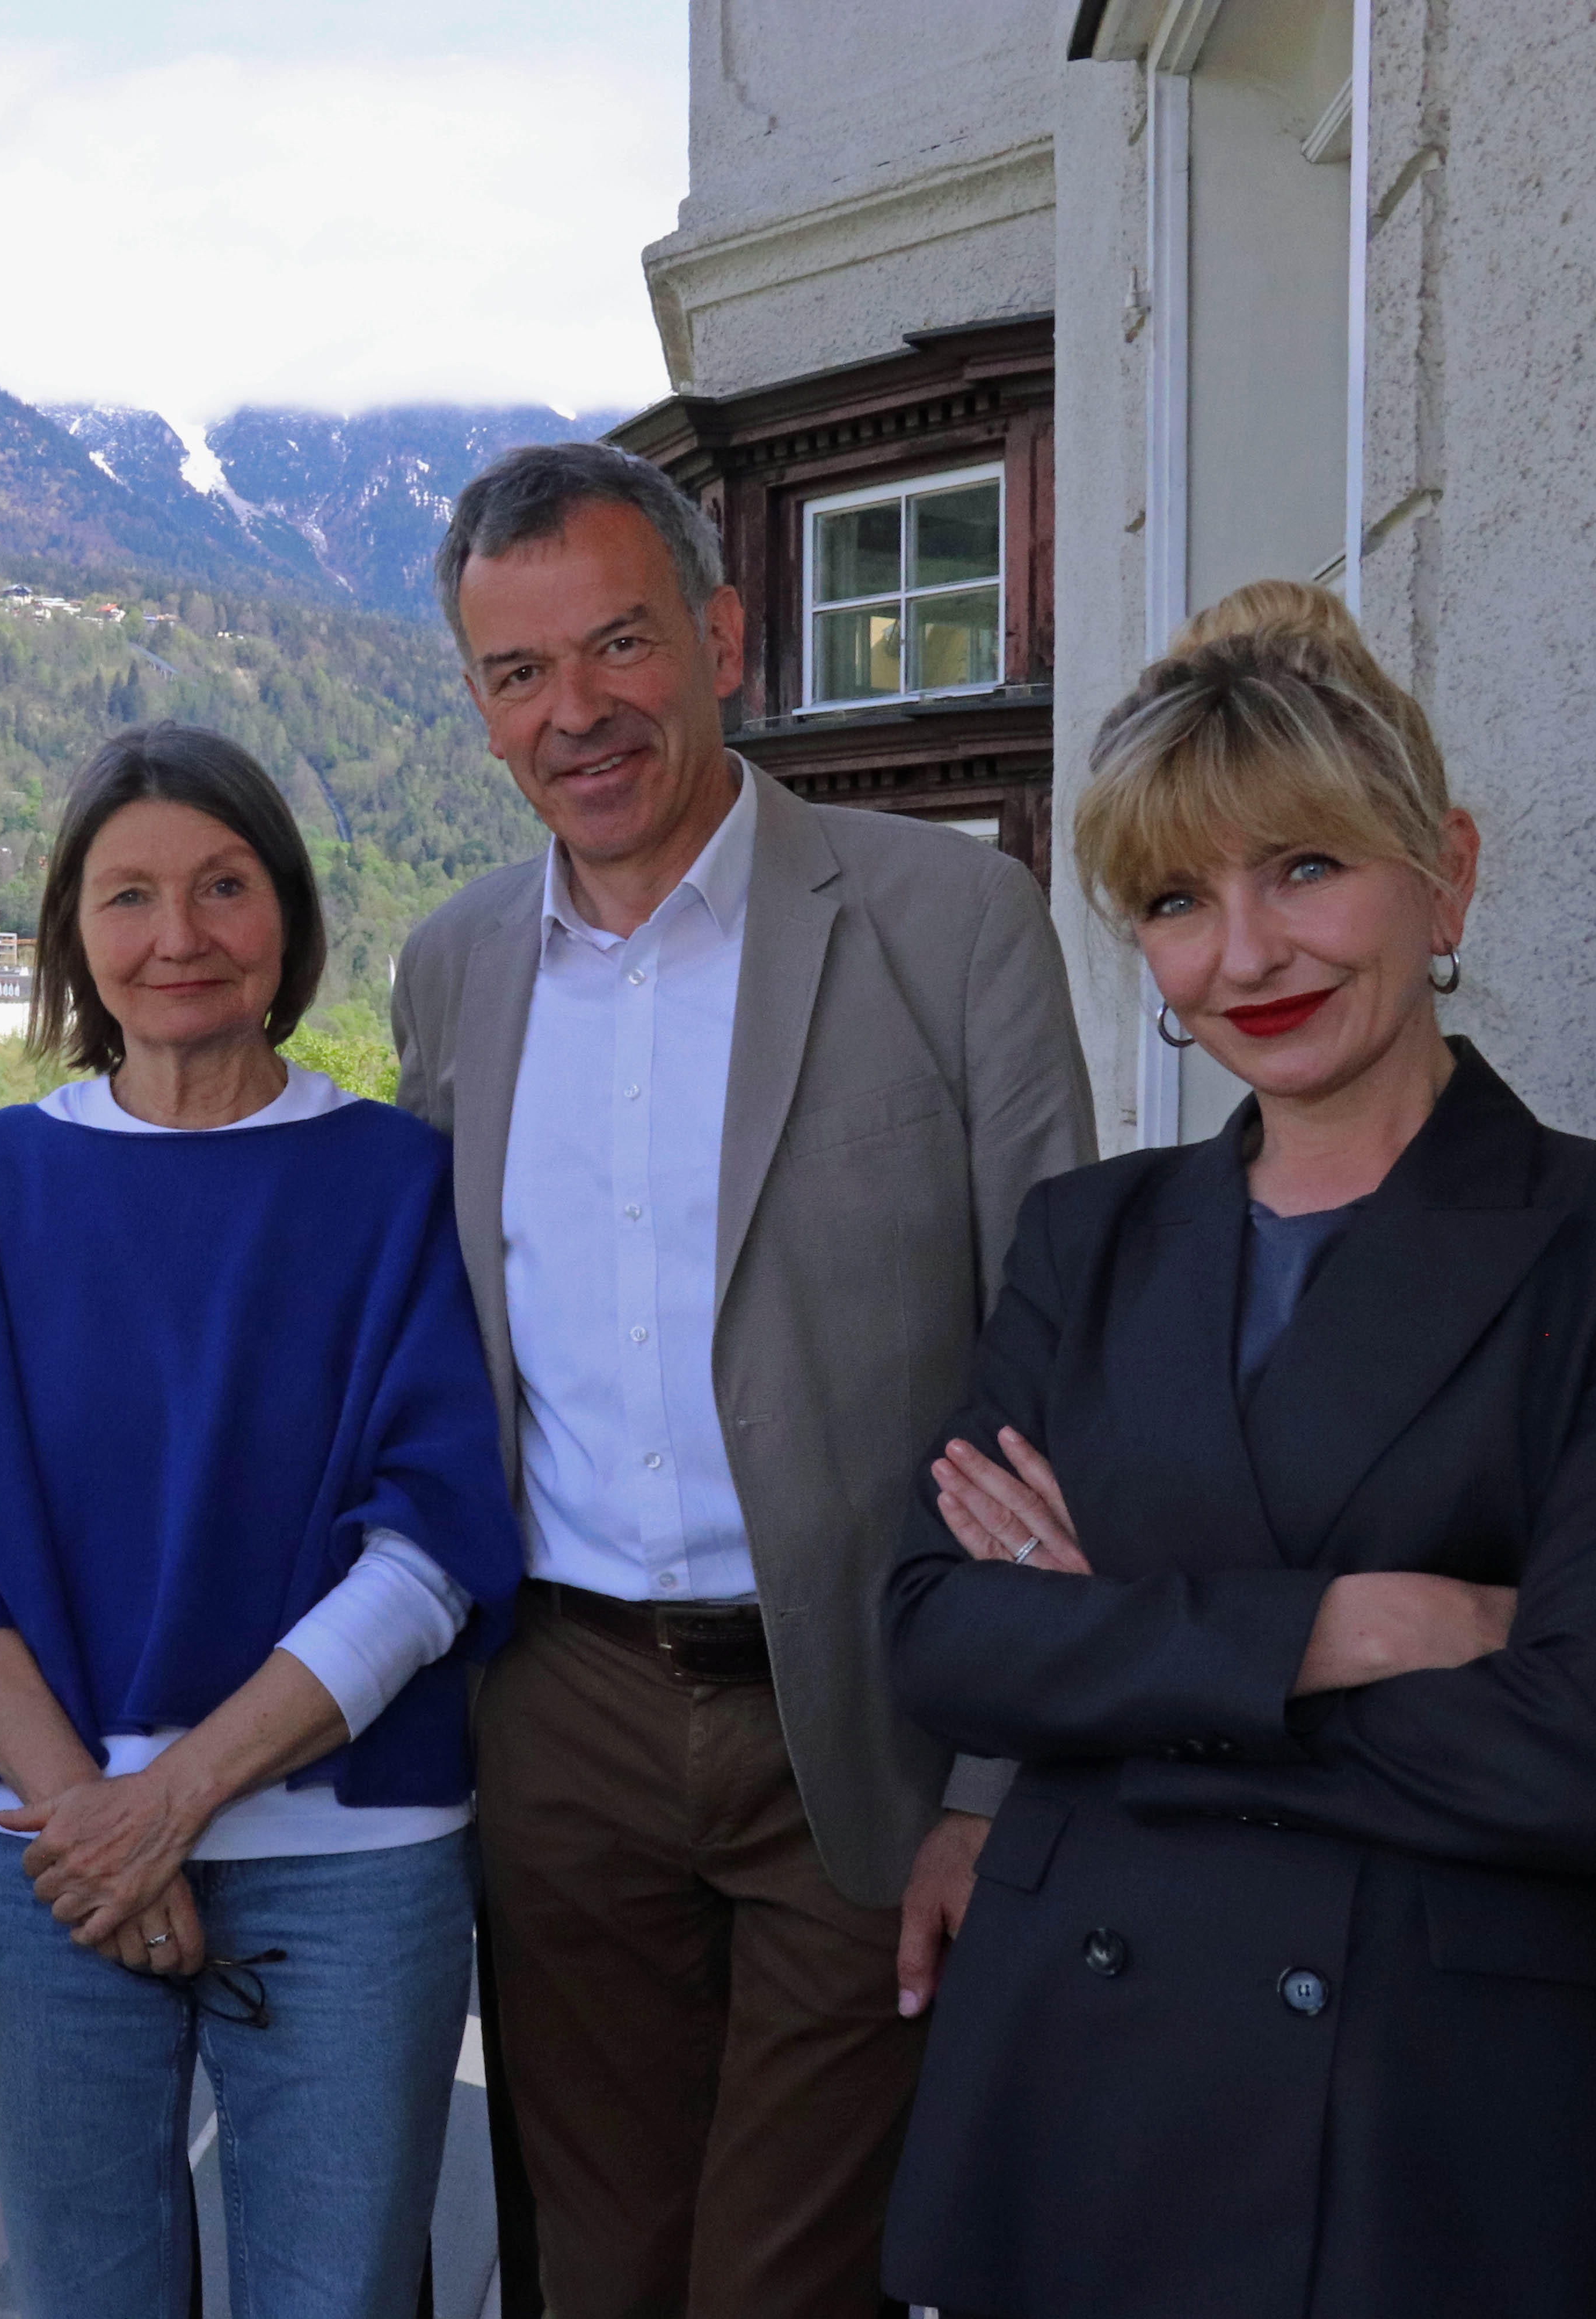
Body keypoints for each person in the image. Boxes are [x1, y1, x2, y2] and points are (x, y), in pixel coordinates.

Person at [879, 582, 1596, 2319]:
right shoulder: (1091, 1236)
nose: (1245, 954)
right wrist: (1336, 1629)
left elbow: (1595, 1757)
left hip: (1423, 2119)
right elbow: (940, 1633)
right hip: (1077, 2091)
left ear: (1444, 873)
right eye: (1176, 899)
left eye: (1305, 868)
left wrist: (1120, 1652)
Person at [390, 442, 1095, 2317]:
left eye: (618, 644)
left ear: (720, 634)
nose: (577, 712)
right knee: (596, 2268)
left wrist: (994, 1788)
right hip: (562, 1719)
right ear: (478, 708)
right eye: (518, 674)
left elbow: (1060, 1359)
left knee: (791, 2281)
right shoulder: (453, 972)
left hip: (862, 1711)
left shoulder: (950, 923)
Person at [0, 722, 525, 2319]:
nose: (179, 938)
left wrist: (180, 1798)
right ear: (73, 935)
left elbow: (434, 1539)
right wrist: (94, 1807)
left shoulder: (393, 1183)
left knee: (339, 2298)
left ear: (284, 912)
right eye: (128, 895)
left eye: (222, 886)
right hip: (39, 1852)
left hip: (346, 1854)